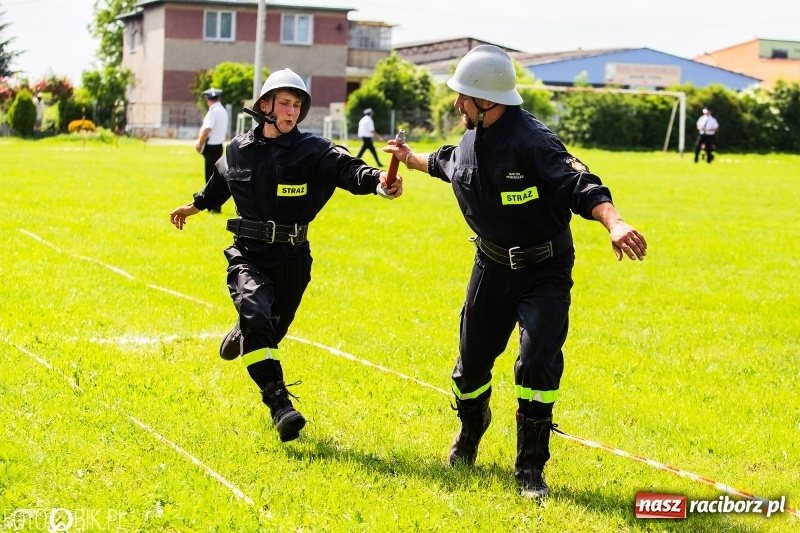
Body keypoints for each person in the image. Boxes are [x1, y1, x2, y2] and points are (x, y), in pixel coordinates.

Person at [384, 45, 647, 499]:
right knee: (469, 372)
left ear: (485, 101)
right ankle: (471, 430)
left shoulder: (535, 142)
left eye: (462, 97)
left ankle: (530, 469)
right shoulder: (471, 140)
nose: (456, 104)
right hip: (490, 265)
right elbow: (446, 164)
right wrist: (408, 158)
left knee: (538, 361)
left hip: (544, 268)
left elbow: (581, 184)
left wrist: (615, 222)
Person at [170, 69, 403, 443]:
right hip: (248, 254)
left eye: (297, 105)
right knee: (257, 315)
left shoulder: (313, 150)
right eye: (285, 103)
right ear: (265, 106)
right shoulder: (237, 149)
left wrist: (380, 182)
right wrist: (190, 208)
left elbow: (349, 170)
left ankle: (244, 331)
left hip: (294, 259)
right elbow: (216, 190)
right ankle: (279, 405)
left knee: (268, 331)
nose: (292, 111)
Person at [195, 87, 229, 213]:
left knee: (210, 178)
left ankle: (213, 206)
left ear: (208, 100)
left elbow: (206, 130)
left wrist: (199, 143)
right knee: (216, 177)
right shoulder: (223, 111)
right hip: (218, 146)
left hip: (211, 147)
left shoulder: (213, 112)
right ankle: (215, 206)